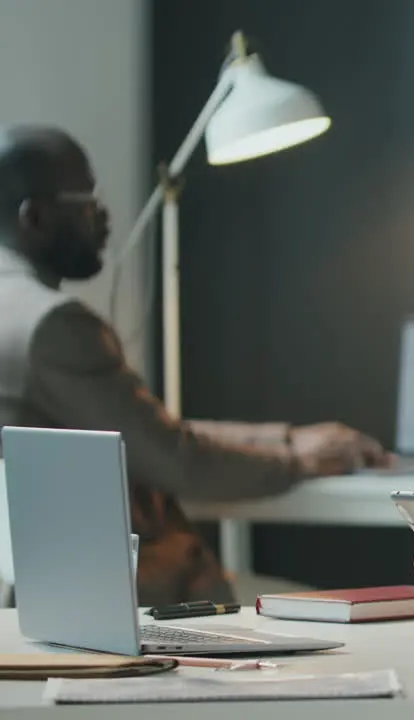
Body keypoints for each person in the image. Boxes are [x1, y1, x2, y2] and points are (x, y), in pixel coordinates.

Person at [0, 124, 389, 607]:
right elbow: (174, 458)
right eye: (85, 198)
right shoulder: (53, 325)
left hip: (40, 602)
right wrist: (301, 460)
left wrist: (286, 437)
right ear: (34, 217)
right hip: (125, 606)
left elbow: (149, 434)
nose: (103, 215)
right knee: (326, 610)